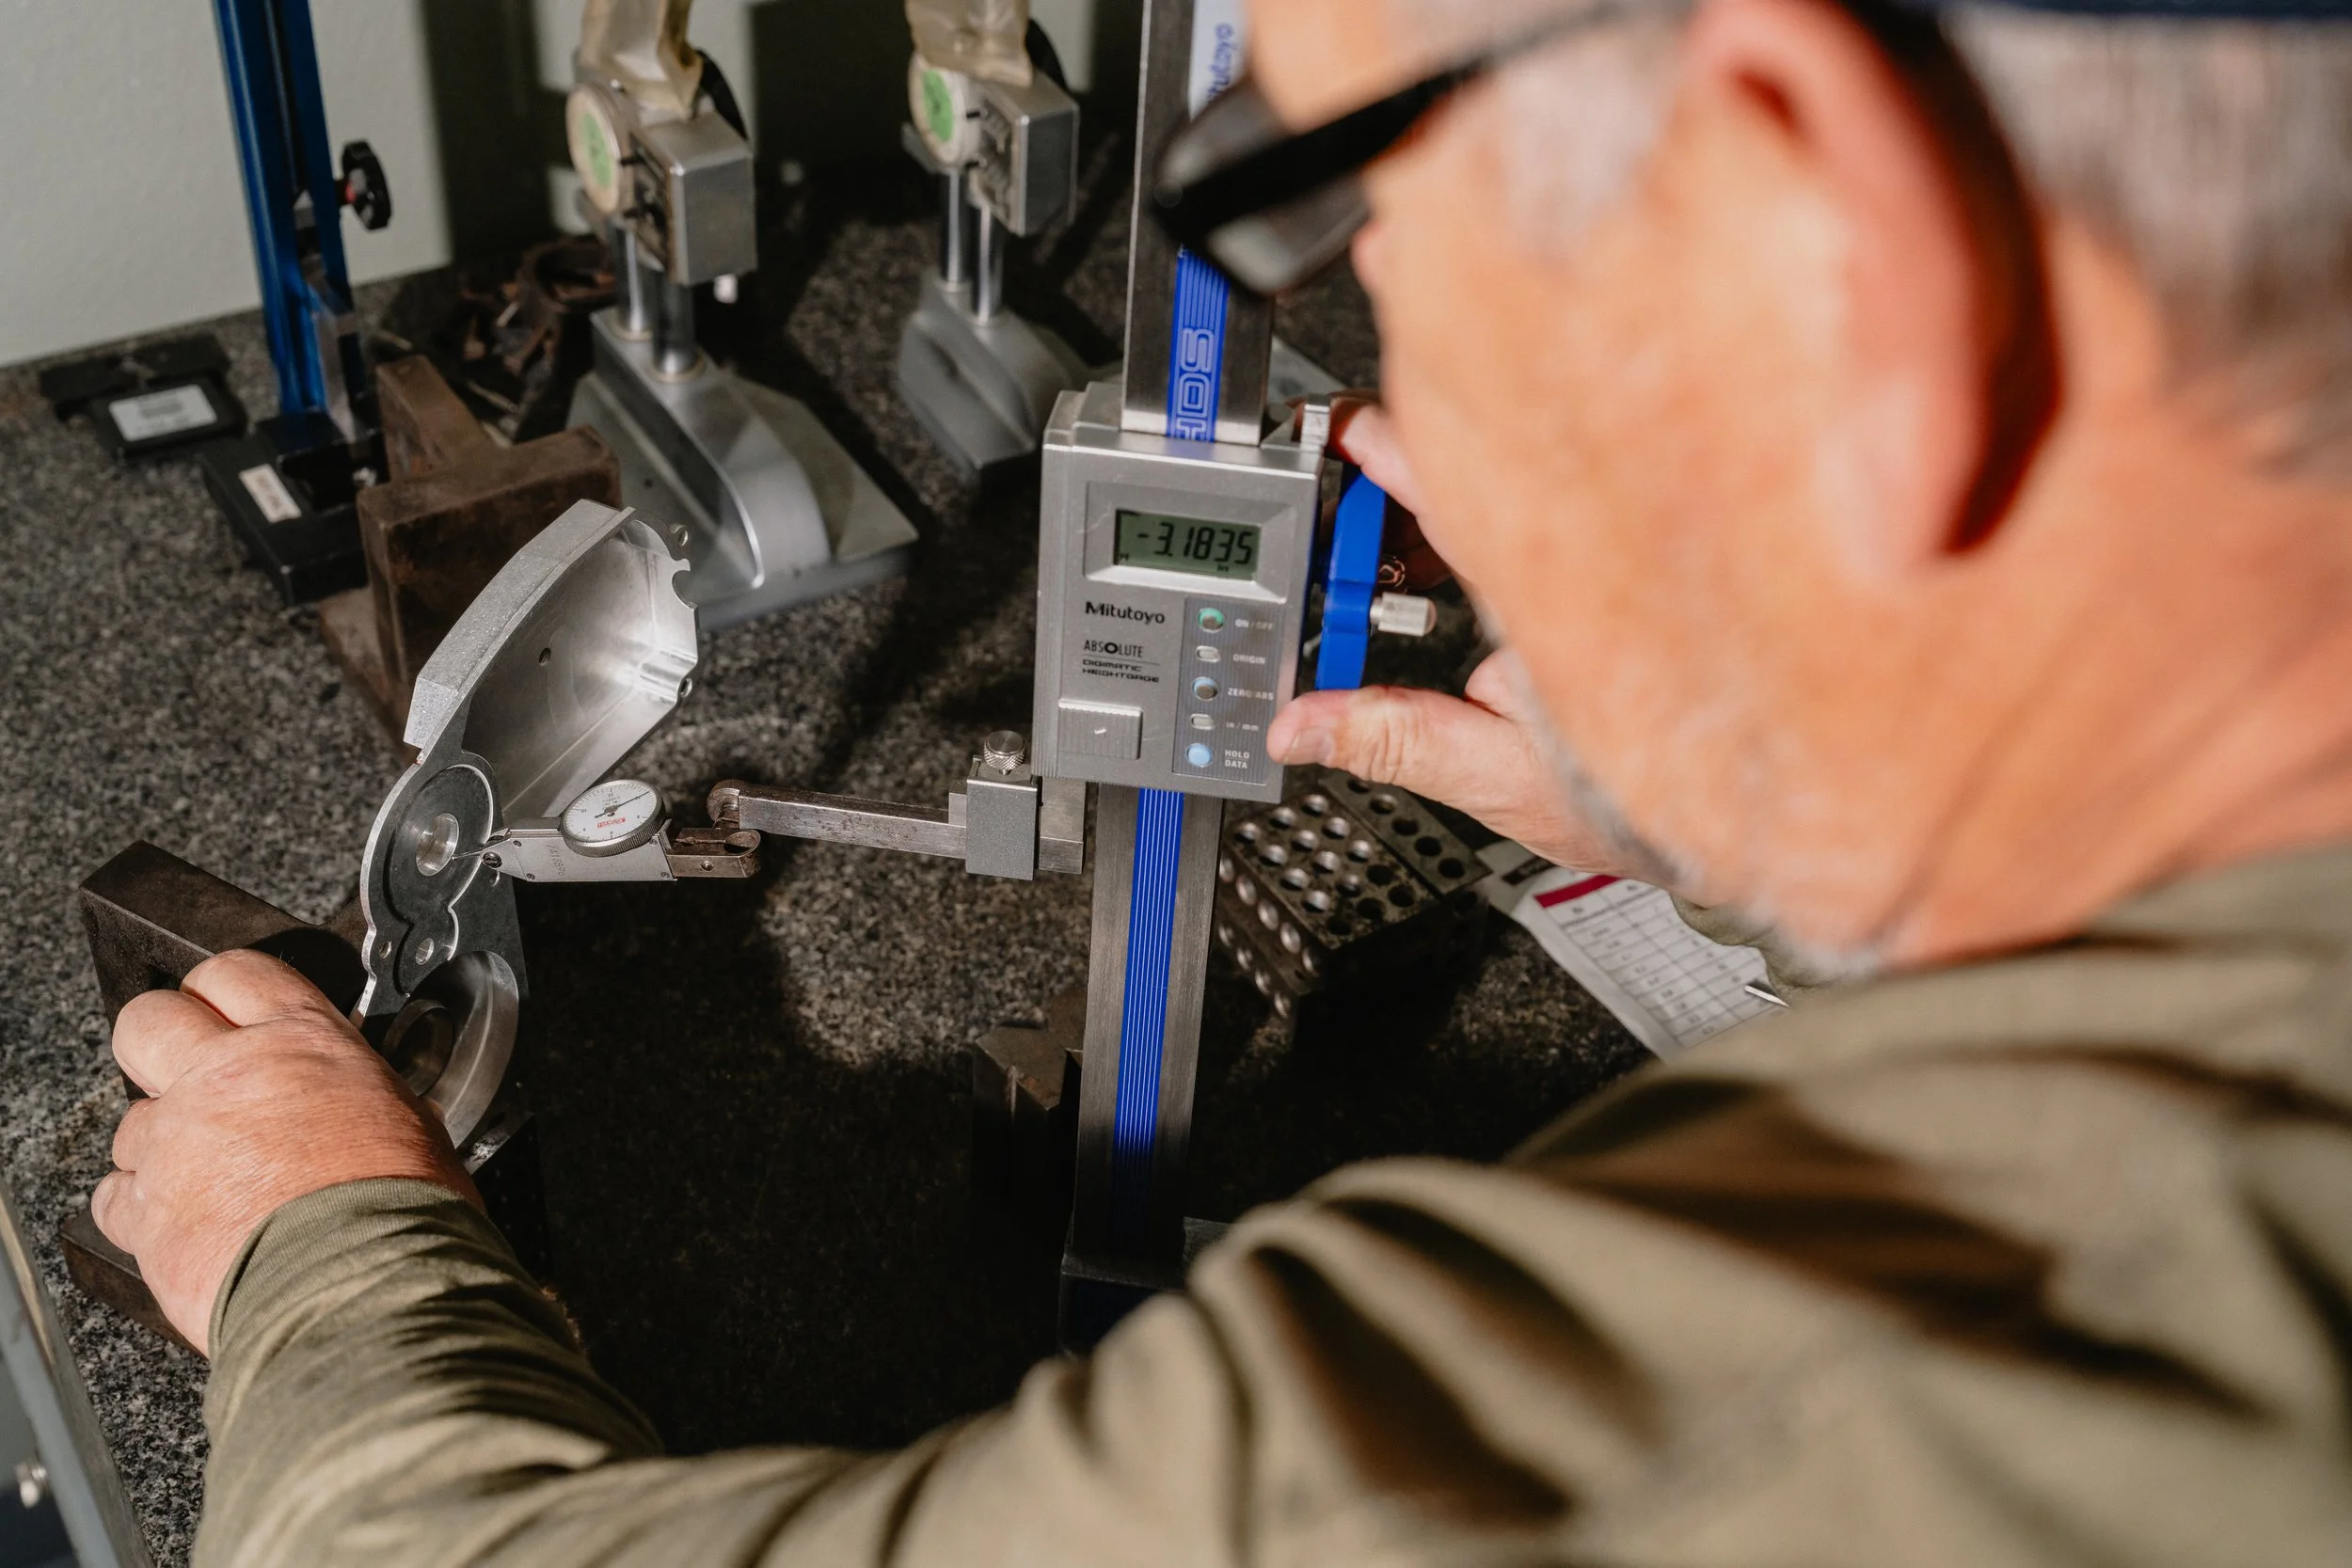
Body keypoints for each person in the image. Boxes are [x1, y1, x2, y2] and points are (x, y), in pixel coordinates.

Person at [93, 0, 2352, 1560]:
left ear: (1828, 261)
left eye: (1350, 221)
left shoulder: (1698, 1392)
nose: (1382, 422)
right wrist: (1811, 814)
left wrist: (320, 1238)